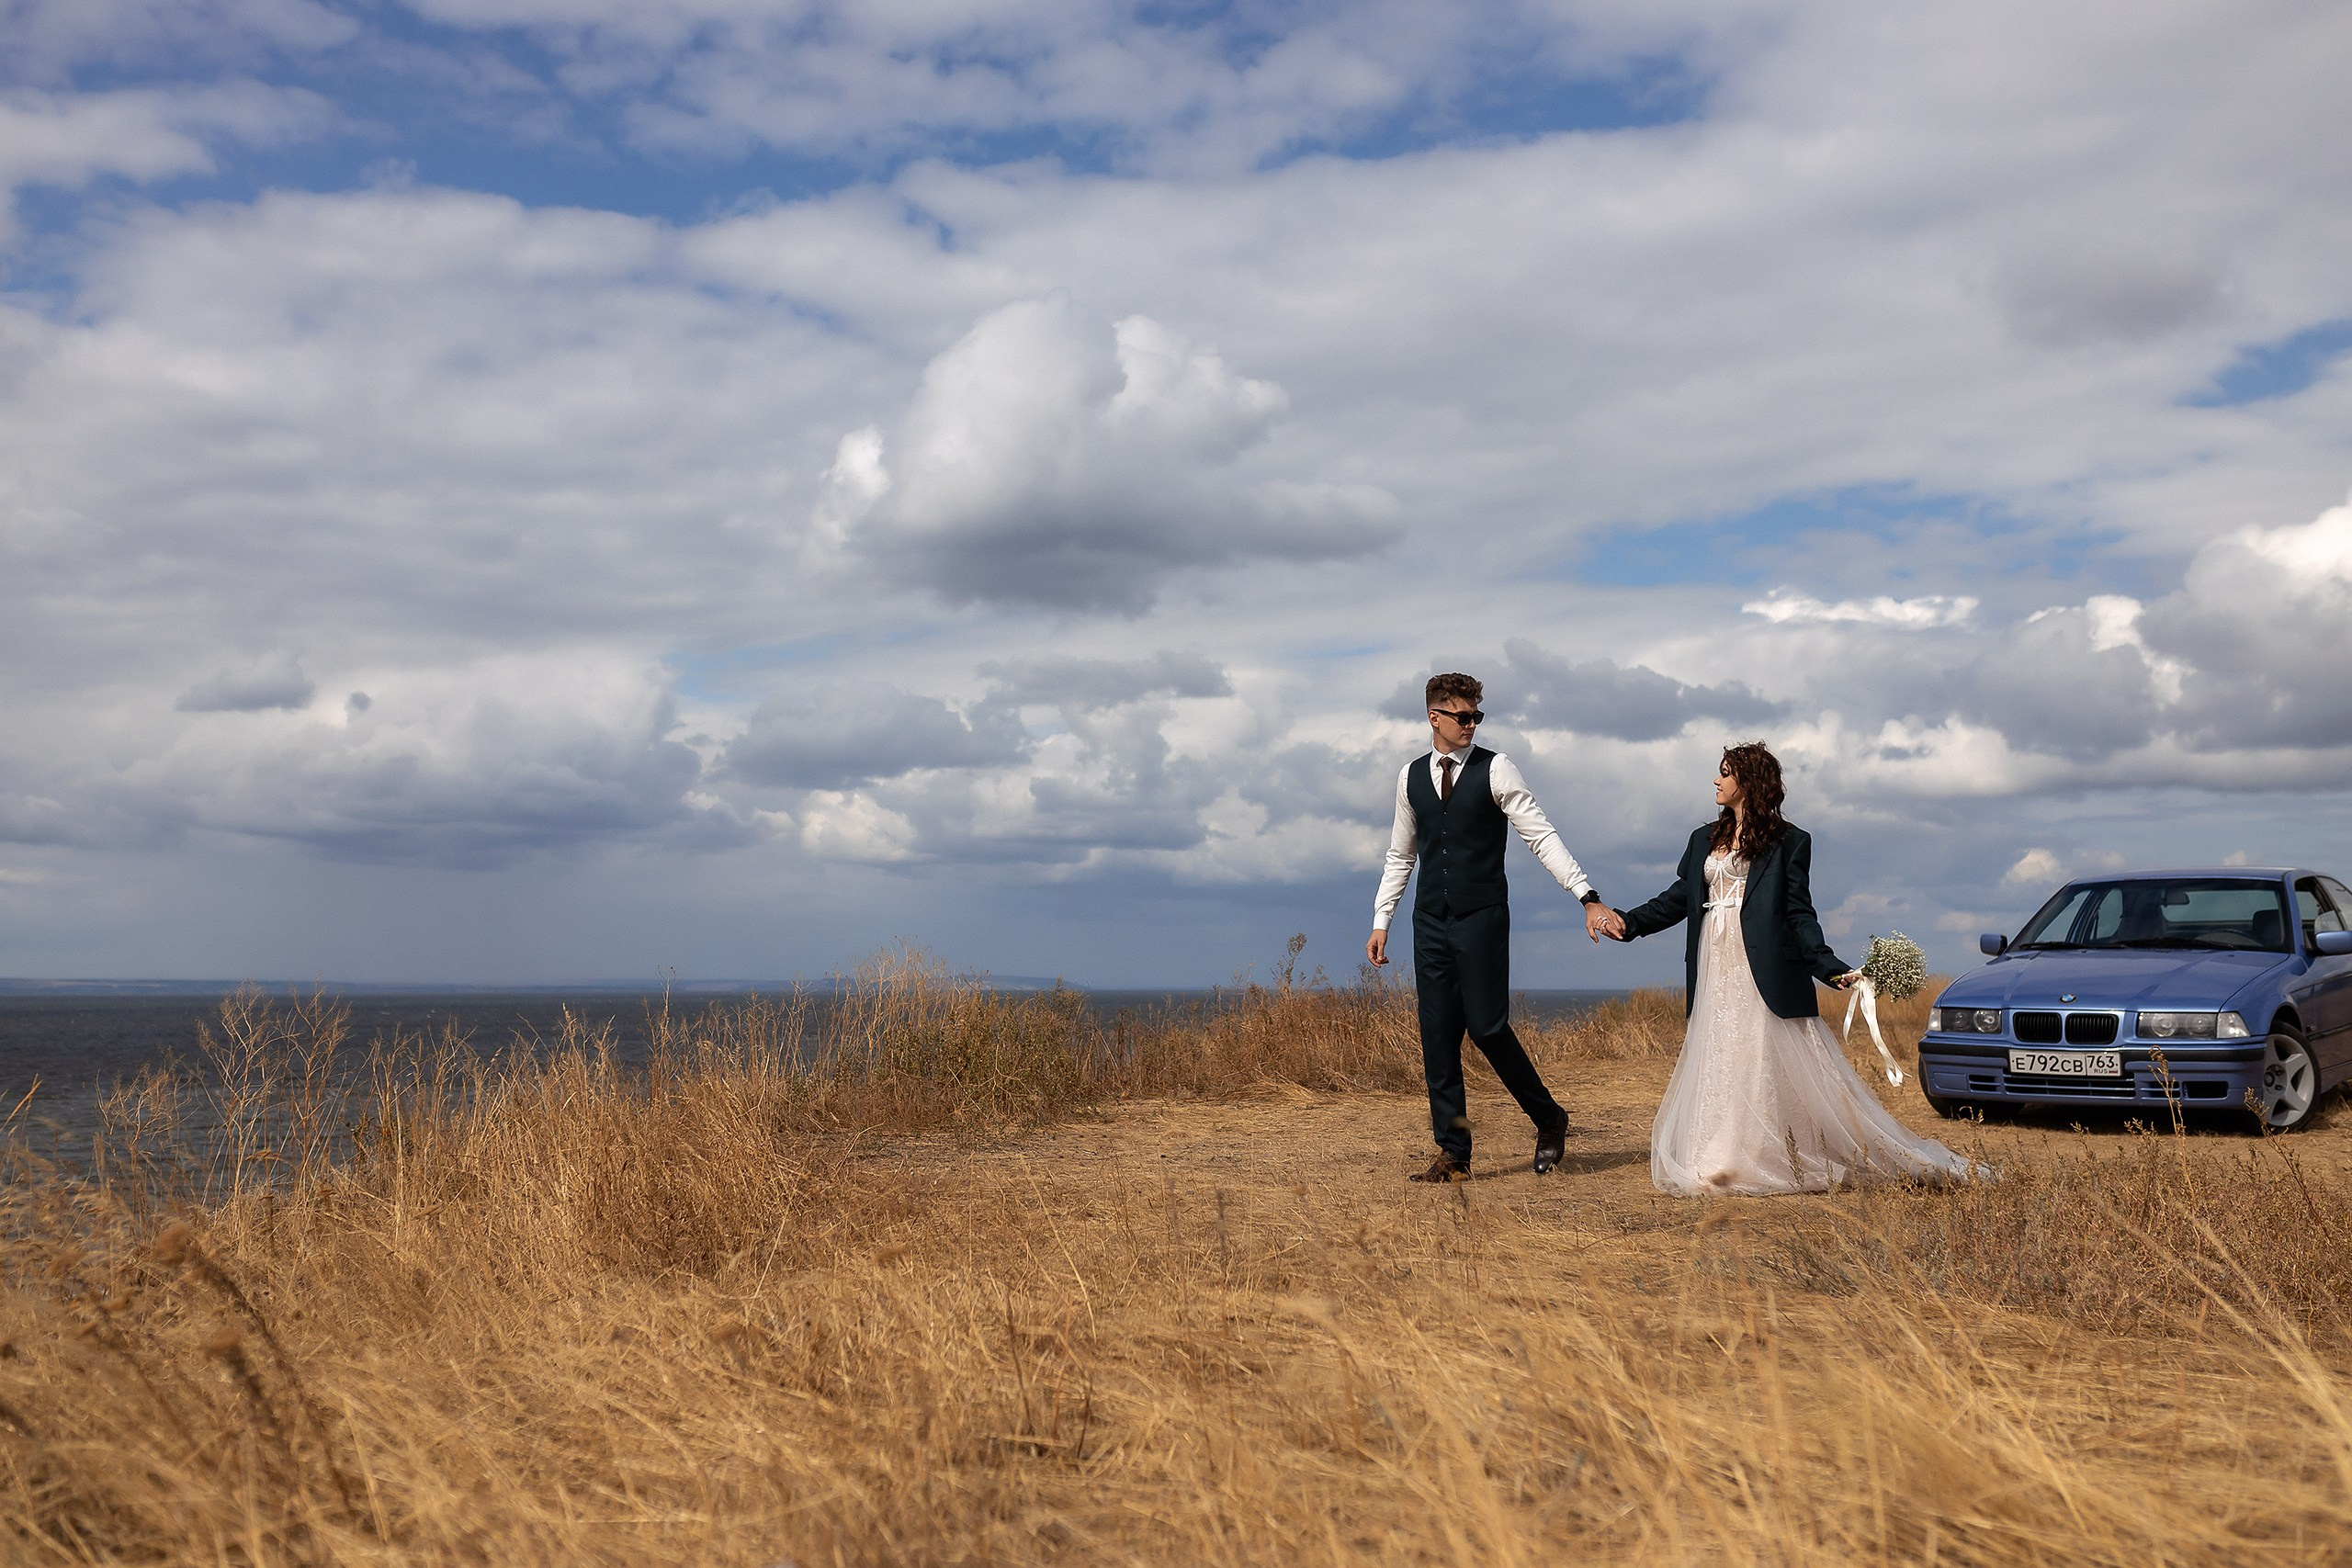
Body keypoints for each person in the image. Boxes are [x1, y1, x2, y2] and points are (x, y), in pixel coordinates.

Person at [1604, 741, 1975, 1196]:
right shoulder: (1703, 838)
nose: (1715, 781)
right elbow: (1679, 897)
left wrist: (1832, 968)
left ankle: (1758, 1154)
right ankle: (1717, 1154)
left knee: (1757, 1052)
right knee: (1722, 1050)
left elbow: (1800, 914)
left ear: (1750, 782)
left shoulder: (1790, 842)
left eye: (1725, 773)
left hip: (1765, 966)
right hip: (1713, 963)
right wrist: (1629, 923)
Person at [1366, 672, 1623, 1183]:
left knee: (1486, 1027)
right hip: (1429, 922)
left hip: (1482, 917)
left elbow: (1540, 835)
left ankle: (1549, 1118)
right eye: (1462, 717)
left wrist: (1587, 897)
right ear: (1434, 718)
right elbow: (1401, 854)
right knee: (1437, 1035)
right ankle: (1454, 1154)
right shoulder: (1409, 777)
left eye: (1477, 716)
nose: (1471, 725)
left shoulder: (1497, 768)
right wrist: (1382, 919)